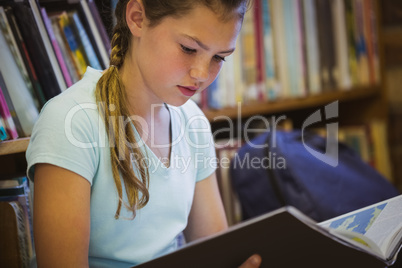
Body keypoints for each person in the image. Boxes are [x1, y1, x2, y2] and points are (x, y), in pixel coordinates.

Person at [26, 0, 262, 267]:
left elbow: (217, 256)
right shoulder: (72, 122)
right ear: (137, 18)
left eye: (219, 57)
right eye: (188, 48)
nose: (201, 74)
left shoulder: (193, 123)